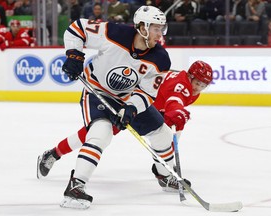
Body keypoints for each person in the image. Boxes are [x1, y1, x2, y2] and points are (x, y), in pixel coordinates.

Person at [44, 5, 193, 209]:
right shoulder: (114, 33)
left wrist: (131, 108)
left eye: (162, 28)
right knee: (100, 133)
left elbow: (148, 93)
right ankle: (76, 185)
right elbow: (77, 28)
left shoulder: (160, 58)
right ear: (142, 27)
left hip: (128, 97)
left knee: (163, 133)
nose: (160, 34)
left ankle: (165, 175)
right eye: (157, 28)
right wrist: (74, 55)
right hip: (97, 92)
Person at [37, 58, 213, 204]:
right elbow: (174, 99)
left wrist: (175, 123)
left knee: (162, 135)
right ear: (189, 76)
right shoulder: (181, 85)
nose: (199, 88)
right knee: (93, 134)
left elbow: (171, 108)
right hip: (131, 102)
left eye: (204, 85)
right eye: (198, 83)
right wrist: (175, 112)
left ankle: (164, 175)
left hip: (146, 106)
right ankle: (52, 154)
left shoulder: (190, 88)